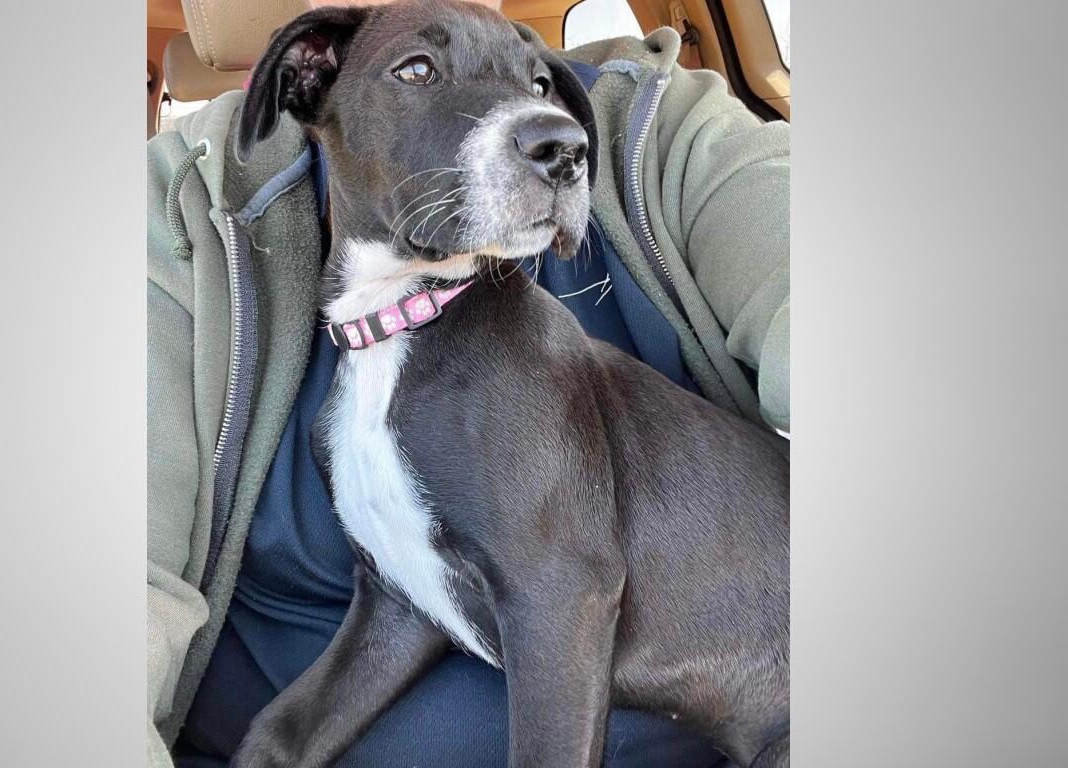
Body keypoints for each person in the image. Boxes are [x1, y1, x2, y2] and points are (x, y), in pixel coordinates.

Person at [147, 0, 789, 765]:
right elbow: (407, 591)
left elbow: (564, 590)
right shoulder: (186, 204)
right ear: (311, 80)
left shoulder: (667, 133)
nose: (548, 130)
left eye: (537, 86)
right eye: (419, 69)